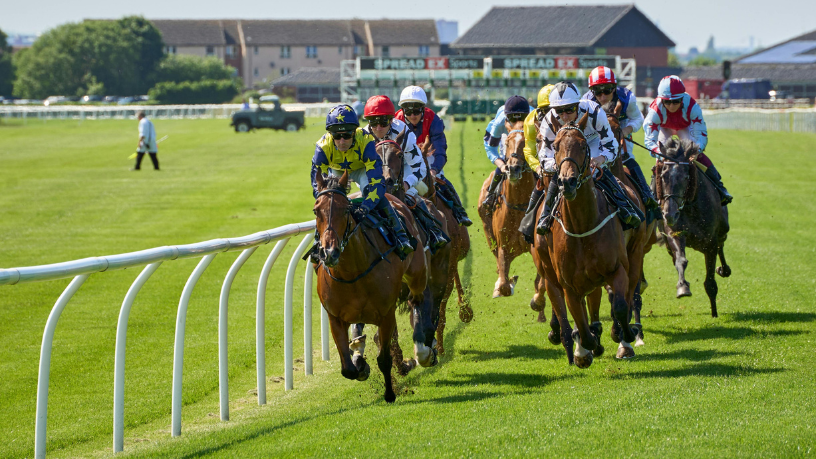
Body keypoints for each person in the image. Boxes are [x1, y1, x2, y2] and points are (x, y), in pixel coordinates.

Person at [536, 81, 643, 235]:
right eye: (560, 111)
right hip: (566, 150)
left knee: (598, 171)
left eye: (569, 109)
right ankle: (545, 216)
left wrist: (601, 159)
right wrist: (558, 165)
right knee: (560, 176)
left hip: (592, 143)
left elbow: (611, 146)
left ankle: (625, 207)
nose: (565, 116)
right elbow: (544, 157)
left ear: (578, 105)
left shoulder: (594, 111)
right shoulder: (548, 121)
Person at [311, 104, 414, 259]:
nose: (342, 141)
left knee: (371, 193)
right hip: (337, 170)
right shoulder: (322, 147)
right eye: (336, 136)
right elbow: (317, 186)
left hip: (361, 169)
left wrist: (365, 207)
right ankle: (317, 242)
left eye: (346, 135)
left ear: (355, 132)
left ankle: (400, 235)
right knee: (328, 202)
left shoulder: (366, 142)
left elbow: (378, 185)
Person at [361, 95, 449, 252]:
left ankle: (433, 231)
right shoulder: (362, 136)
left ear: (391, 119)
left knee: (412, 194)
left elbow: (420, 167)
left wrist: (407, 183)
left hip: (404, 166)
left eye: (383, 122)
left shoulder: (404, 132)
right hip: (376, 170)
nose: (379, 127)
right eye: (374, 123)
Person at [643, 75, 733, 205]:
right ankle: (653, 194)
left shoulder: (692, 106)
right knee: (660, 158)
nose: (671, 105)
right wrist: (658, 152)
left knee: (696, 154)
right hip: (664, 128)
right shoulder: (654, 110)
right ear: (661, 100)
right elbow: (650, 141)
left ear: (682, 98)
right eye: (667, 102)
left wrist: (696, 151)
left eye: (676, 101)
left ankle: (719, 186)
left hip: (684, 128)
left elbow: (701, 136)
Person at [582, 66, 659, 216]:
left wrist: (624, 132)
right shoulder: (586, 103)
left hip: (621, 129)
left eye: (607, 90)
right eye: (598, 91)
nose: (603, 96)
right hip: (596, 134)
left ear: (615, 88)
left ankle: (647, 196)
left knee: (627, 158)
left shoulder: (627, 98)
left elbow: (638, 119)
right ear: (592, 92)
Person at [395, 85, 472, 226]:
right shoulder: (395, 121)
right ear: (402, 110)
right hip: (405, 158)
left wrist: (434, 170)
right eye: (408, 111)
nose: (412, 115)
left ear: (423, 108)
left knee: (440, 179)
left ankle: (459, 212)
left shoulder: (434, 120)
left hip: (429, 155)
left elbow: (440, 150)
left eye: (417, 110)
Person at [481, 95, 534, 211]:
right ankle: (490, 195)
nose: (517, 123)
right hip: (507, 135)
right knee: (508, 158)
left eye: (521, 119)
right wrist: (501, 165)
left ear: (527, 117)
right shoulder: (499, 123)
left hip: (529, 136)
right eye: (513, 119)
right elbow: (490, 148)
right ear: (507, 118)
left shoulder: (534, 118)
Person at [517, 84, 554, 242]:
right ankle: (528, 224)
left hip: (572, 165)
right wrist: (538, 167)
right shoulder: (531, 121)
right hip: (546, 167)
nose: (550, 115)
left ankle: (626, 208)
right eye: (545, 110)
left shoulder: (569, 114)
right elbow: (529, 150)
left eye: (553, 109)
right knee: (538, 191)